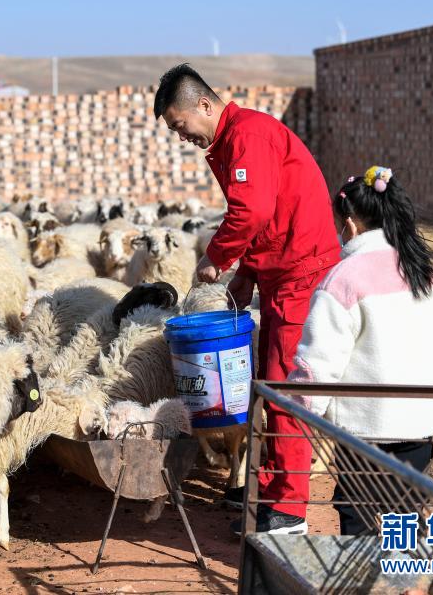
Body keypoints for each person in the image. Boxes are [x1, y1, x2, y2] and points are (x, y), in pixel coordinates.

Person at [154, 64, 339, 535]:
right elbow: (270, 214)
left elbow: (252, 210)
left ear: (204, 104)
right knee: (268, 385)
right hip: (281, 271)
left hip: (300, 273)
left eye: (180, 125)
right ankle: (269, 490)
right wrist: (249, 275)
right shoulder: (234, 139)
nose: (182, 136)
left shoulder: (248, 135)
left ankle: (288, 511)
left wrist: (216, 258)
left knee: (284, 389)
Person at [289, 166, 433, 535]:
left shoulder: (344, 279)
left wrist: (301, 405)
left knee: (356, 511)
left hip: (365, 428)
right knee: (407, 511)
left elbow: (319, 361)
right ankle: (406, 569)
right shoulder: (424, 272)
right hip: (419, 421)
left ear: (349, 224)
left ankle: (362, 568)